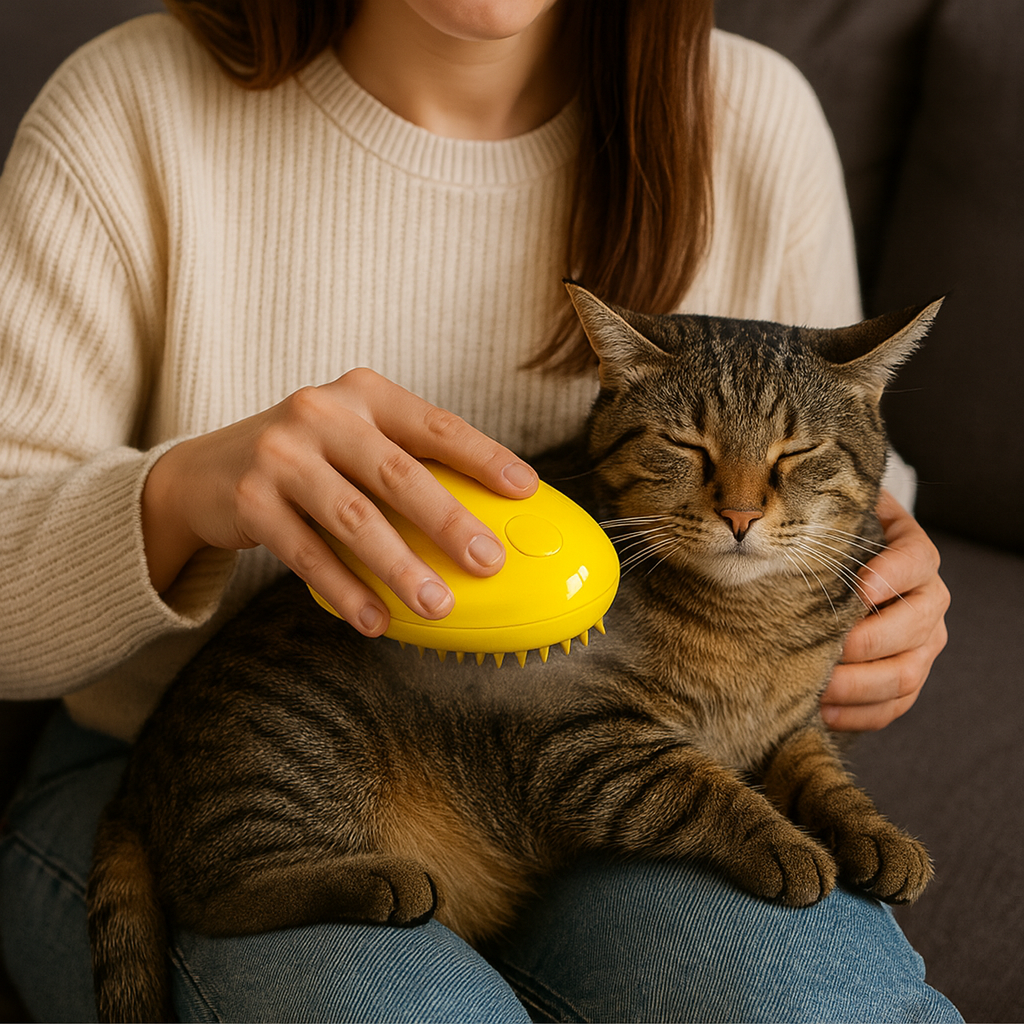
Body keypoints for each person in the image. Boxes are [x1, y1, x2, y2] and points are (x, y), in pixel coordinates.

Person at [0, 1, 957, 1020]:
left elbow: (843, 465)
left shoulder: (756, 117)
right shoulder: (126, 105)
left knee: (826, 1005)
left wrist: (893, 583)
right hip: (191, 767)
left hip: (620, 763)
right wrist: (181, 492)